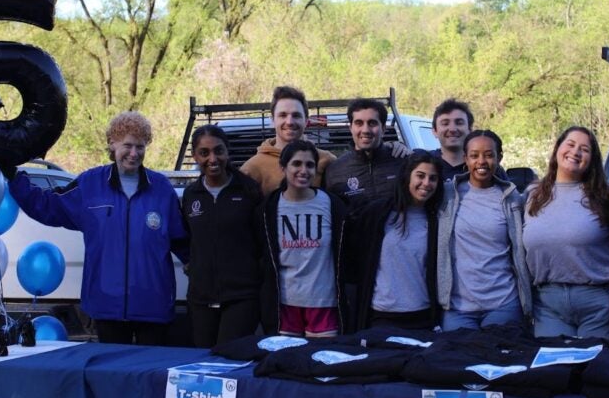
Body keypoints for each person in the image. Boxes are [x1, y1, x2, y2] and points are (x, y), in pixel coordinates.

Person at [8, 112, 188, 345]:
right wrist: (14, 179)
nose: (134, 154)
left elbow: (182, 239)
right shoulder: (90, 184)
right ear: (112, 144)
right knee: (110, 375)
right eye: (128, 145)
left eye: (140, 147)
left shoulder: (161, 188)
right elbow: (48, 206)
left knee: (149, 375)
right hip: (106, 304)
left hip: (153, 304)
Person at [523, 126, 609, 347]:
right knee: (555, 371)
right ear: (557, 149)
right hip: (548, 302)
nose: (576, 152)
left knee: (599, 369)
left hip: (599, 299)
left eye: (585, 149)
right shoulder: (532, 194)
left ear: (592, 160)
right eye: (570, 145)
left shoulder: (608, 196)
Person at [437, 130, 532, 330]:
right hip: (457, 308)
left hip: (503, 303)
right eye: (474, 155)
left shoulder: (511, 198)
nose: (481, 161)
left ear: (499, 158)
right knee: (455, 359)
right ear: (465, 159)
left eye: (489, 155)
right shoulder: (447, 194)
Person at [181, 125, 264, 347]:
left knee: (229, 360)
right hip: (200, 298)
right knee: (202, 362)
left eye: (219, 150)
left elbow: (262, 242)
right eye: (204, 153)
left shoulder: (248, 191)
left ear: (227, 152)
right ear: (195, 156)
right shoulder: (191, 194)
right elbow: (187, 239)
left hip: (241, 297)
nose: (213, 159)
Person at [258, 140, 346, 337]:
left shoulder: (332, 205)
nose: (303, 170)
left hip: (323, 302)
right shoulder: (268, 209)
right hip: (285, 305)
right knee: (287, 363)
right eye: (296, 164)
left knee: (321, 362)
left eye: (309, 165)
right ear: (283, 167)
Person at [351, 151, 444, 331]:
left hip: (423, 315)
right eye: (420, 176)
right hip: (382, 315)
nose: (426, 183)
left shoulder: (438, 219)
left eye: (433, 178)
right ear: (407, 176)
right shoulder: (378, 213)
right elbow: (355, 260)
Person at [240, 85, 337, 196]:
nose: (289, 122)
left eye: (296, 115)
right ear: (272, 120)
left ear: (306, 121)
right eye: (283, 115)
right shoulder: (252, 168)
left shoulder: (326, 160)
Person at [324, 97, 411, 209]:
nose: (365, 130)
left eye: (372, 123)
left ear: (383, 128)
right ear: (351, 128)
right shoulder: (334, 171)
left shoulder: (403, 161)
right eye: (359, 123)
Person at [430, 98, 473, 181]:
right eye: (445, 123)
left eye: (459, 123)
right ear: (435, 131)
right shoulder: (421, 163)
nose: (452, 129)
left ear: (470, 130)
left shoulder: (485, 168)